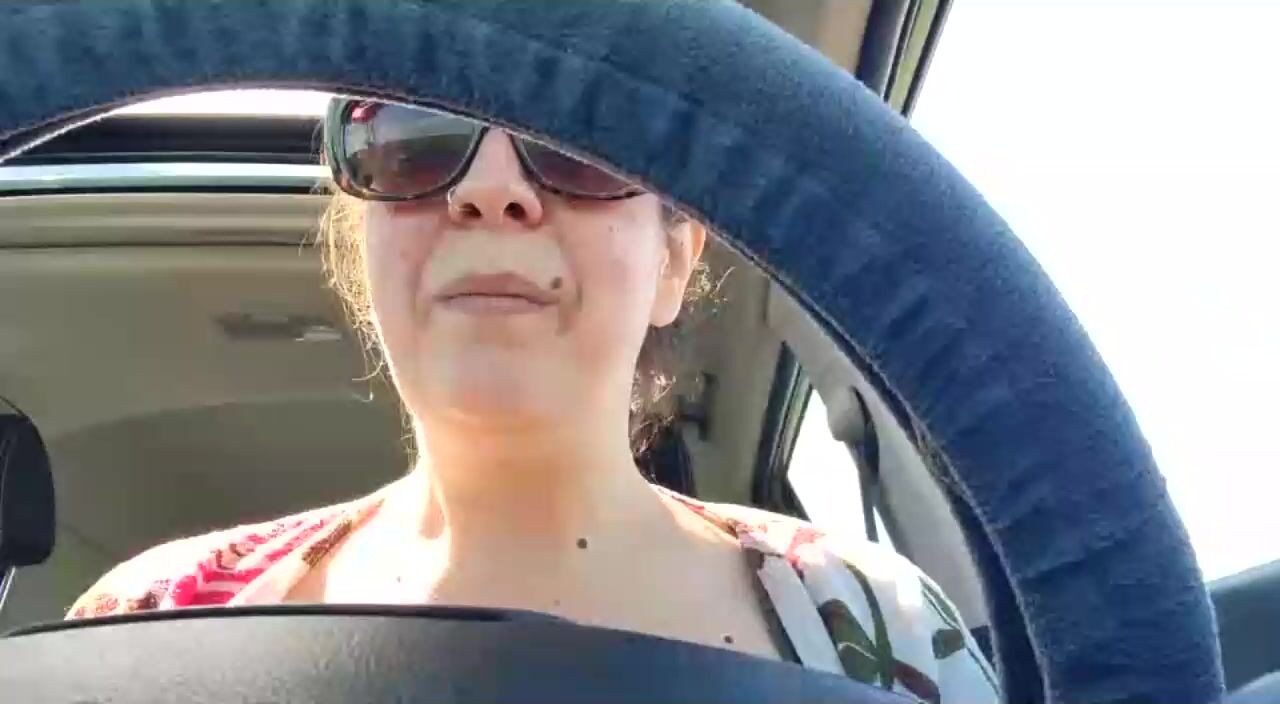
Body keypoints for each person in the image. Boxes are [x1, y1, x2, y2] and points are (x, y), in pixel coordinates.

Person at [67, 99, 999, 702]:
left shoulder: (879, 624)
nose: (488, 189)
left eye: (580, 138)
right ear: (365, 246)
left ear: (675, 260)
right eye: (412, 139)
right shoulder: (144, 620)